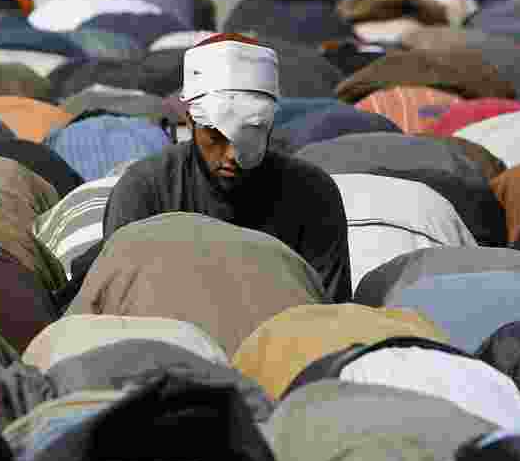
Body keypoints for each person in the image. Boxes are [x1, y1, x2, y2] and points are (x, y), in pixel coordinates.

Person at [99, 33, 352, 303]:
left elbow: (330, 309)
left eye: (248, 135)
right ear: (190, 120)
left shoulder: (311, 194)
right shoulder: (145, 190)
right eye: (216, 137)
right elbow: (120, 304)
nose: (232, 154)